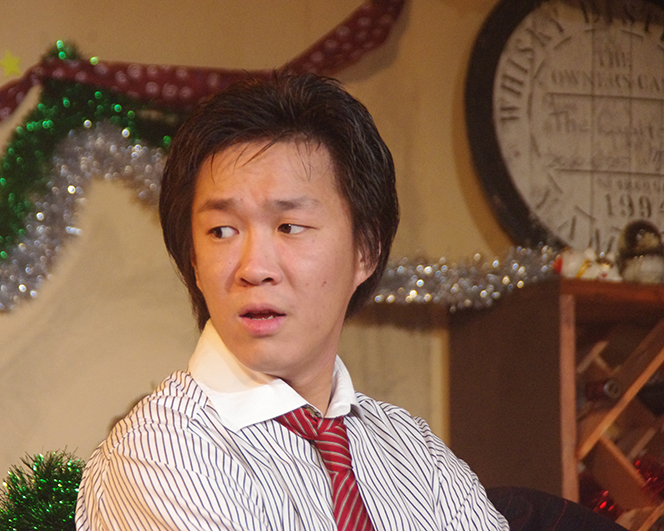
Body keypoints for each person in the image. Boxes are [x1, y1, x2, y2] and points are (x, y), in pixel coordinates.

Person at [75, 73, 508, 530]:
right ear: (194, 261)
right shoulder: (161, 452)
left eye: (289, 227)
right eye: (222, 231)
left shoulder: (418, 455)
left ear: (365, 250)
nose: (254, 267)